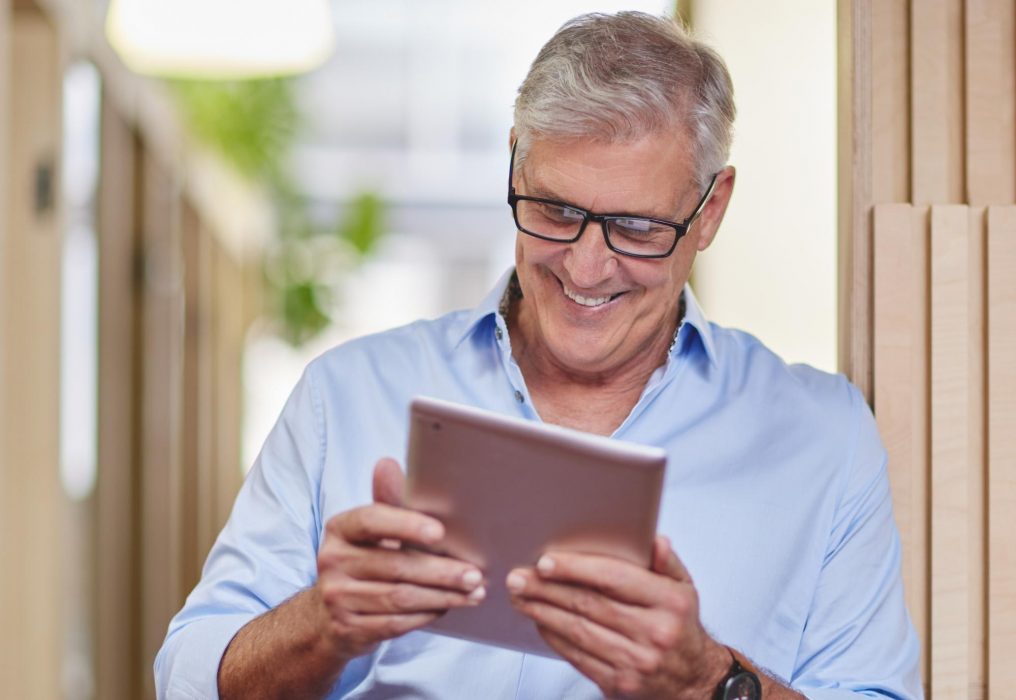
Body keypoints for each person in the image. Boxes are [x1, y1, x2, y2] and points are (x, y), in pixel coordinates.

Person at [155, 11, 921, 700]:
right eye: (555, 211)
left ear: (709, 210)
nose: (586, 269)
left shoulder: (823, 437)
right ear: (515, 164)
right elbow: (187, 679)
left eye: (636, 228)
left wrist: (706, 682)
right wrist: (323, 621)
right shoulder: (346, 394)